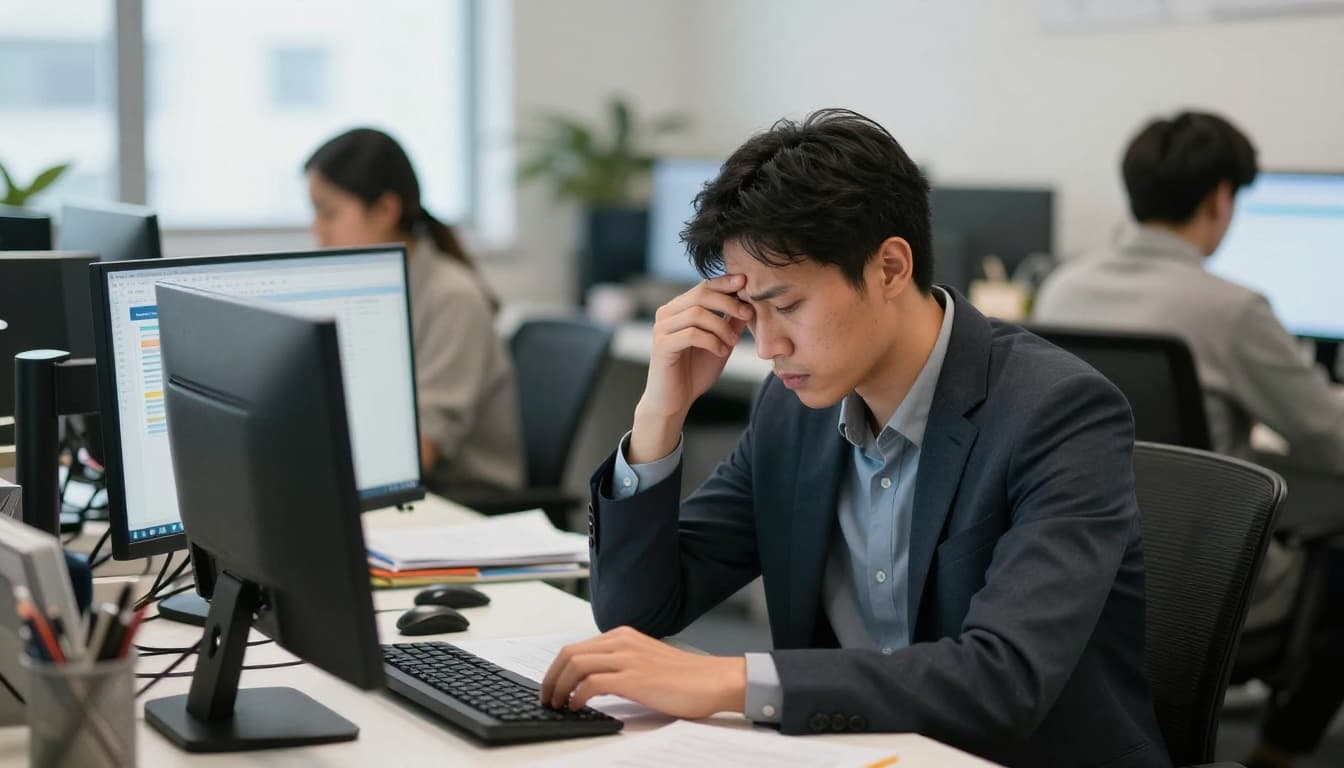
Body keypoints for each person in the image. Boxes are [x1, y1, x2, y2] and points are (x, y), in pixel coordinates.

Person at [539, 109, 1168, 767]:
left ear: (890, 267)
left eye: (787, 306)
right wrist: (659, 416)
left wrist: (730, 679)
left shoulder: (1059, 412)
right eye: (749, 312)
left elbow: (1003, 680)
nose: (769, 344)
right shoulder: (792, 411)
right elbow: (637, 608)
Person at [1034, 111, 1344, 768]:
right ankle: (1275, 755)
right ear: (1221, 198)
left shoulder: (1063, 286)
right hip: (1199, 580)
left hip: (1076, 566)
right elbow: (1329, 438)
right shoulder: (1232, 309)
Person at [305, 128, 525, 496]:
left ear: (386, 209)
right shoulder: (368, 292)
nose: (317, 232)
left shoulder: (452, 298)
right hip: (406, 486)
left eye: (329, 213)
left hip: (462, 497)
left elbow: (419, 448)